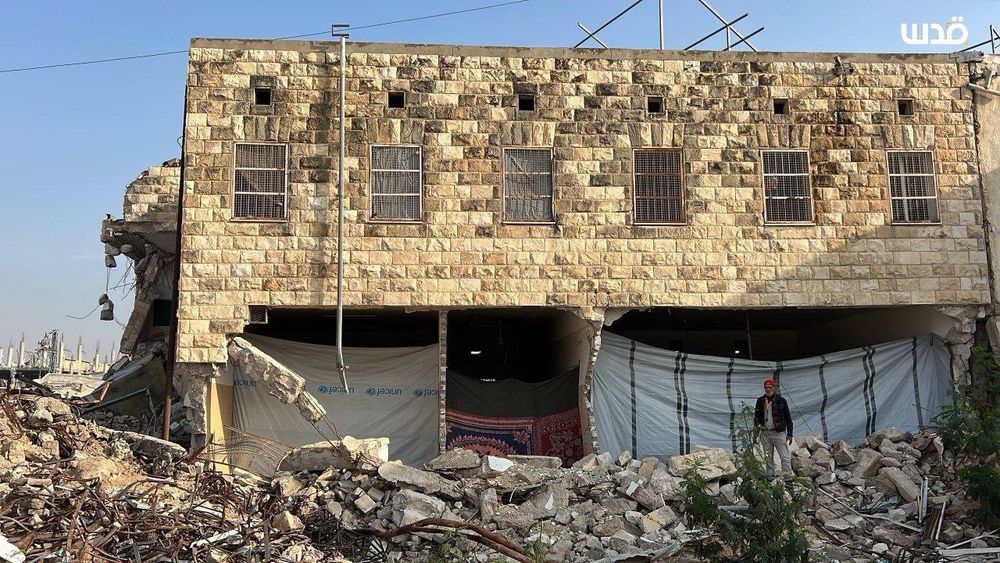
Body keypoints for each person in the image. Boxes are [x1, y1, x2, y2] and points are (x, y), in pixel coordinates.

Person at [753, 378, 794, 481]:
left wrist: (790, 434)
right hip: (765, 432)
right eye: (766, 387)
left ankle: (788, 478)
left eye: (770, 387)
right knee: (768, 457)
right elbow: (756, 418)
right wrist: (755, 433)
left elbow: (788, 418)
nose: (768, 389)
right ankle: (770, 478)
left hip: (778, 432)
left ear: (774, 388)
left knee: (784, 457)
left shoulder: (781, 400)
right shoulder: (760, 400)